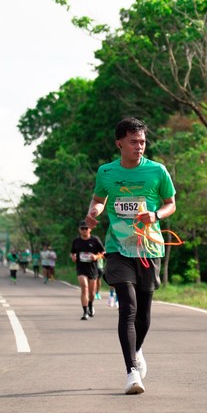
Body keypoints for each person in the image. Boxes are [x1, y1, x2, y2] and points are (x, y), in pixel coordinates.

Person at [85, 117, 176, 395]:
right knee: (128, 307)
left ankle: (136, 350)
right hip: (118, 248)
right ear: (120, 144)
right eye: (134, 142)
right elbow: (99, 199)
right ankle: (131, 372)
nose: (139, 146)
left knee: (144, 314)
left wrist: (156, 215)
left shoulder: (157, 171)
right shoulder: (106, 172)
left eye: (143, 142)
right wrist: (94, 212)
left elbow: (171, 203)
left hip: (149, 248)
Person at [70, 221, 105, 320]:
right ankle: (85, 312)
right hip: (81, 268)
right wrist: (73, 257)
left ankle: (90, 304)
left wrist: (96, 256)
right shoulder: (76, 241)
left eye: (86, 228)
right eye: (82, 228)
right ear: (79, 230)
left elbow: (103, 253)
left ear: (90, 229)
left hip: (92, 269)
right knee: (84, 288)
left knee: (92, 292)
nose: (84, 230)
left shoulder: (95, 240)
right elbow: (72, 252)